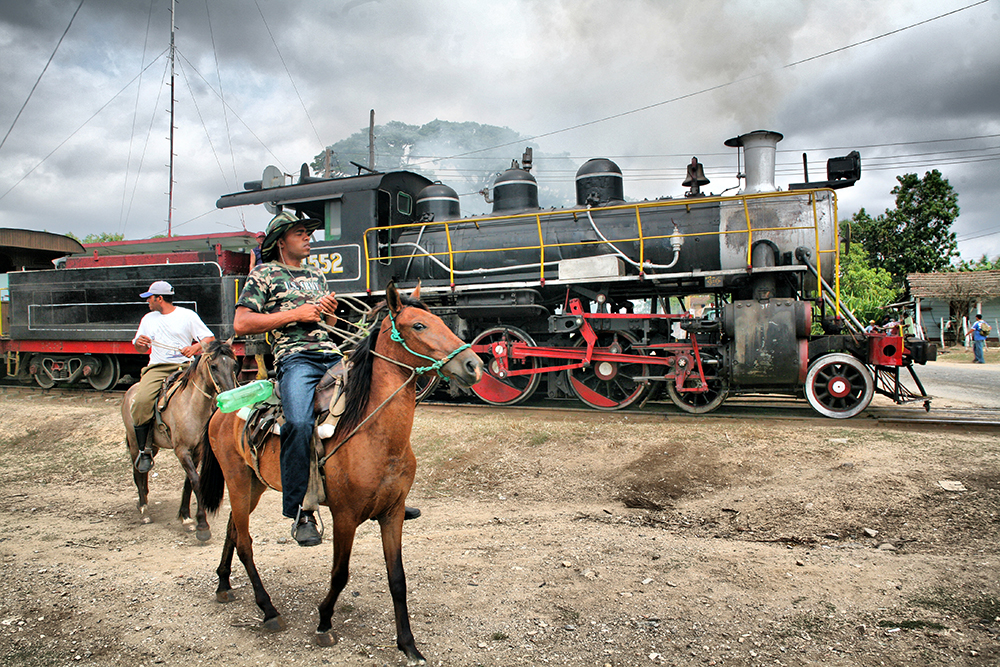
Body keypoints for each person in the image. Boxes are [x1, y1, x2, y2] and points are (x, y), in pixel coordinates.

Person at [233, 212, 421, 547]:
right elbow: (242, 323)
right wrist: (296, 314)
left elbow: (325, 320)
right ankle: (301, 510)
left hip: (331, 356)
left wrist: (329, 310)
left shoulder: (315, 274)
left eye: (307, 232)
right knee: (300, 423)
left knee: (374, 410)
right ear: (281, 241)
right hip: (295, 360)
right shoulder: (264, 274)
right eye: (301, 233)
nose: (308, 238)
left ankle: (384, 495)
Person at [131, 281, 216, 472]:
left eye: (150, 298)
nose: (148, 302)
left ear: (159, 298)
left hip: (185, 367)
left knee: (214, 398)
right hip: (158, 368)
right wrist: (141, 343)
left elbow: (209, 339)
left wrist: (194, 347)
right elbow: (140, 348)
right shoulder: (148, 319)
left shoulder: (187, 315)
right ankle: (145, 450)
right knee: (141, 401)